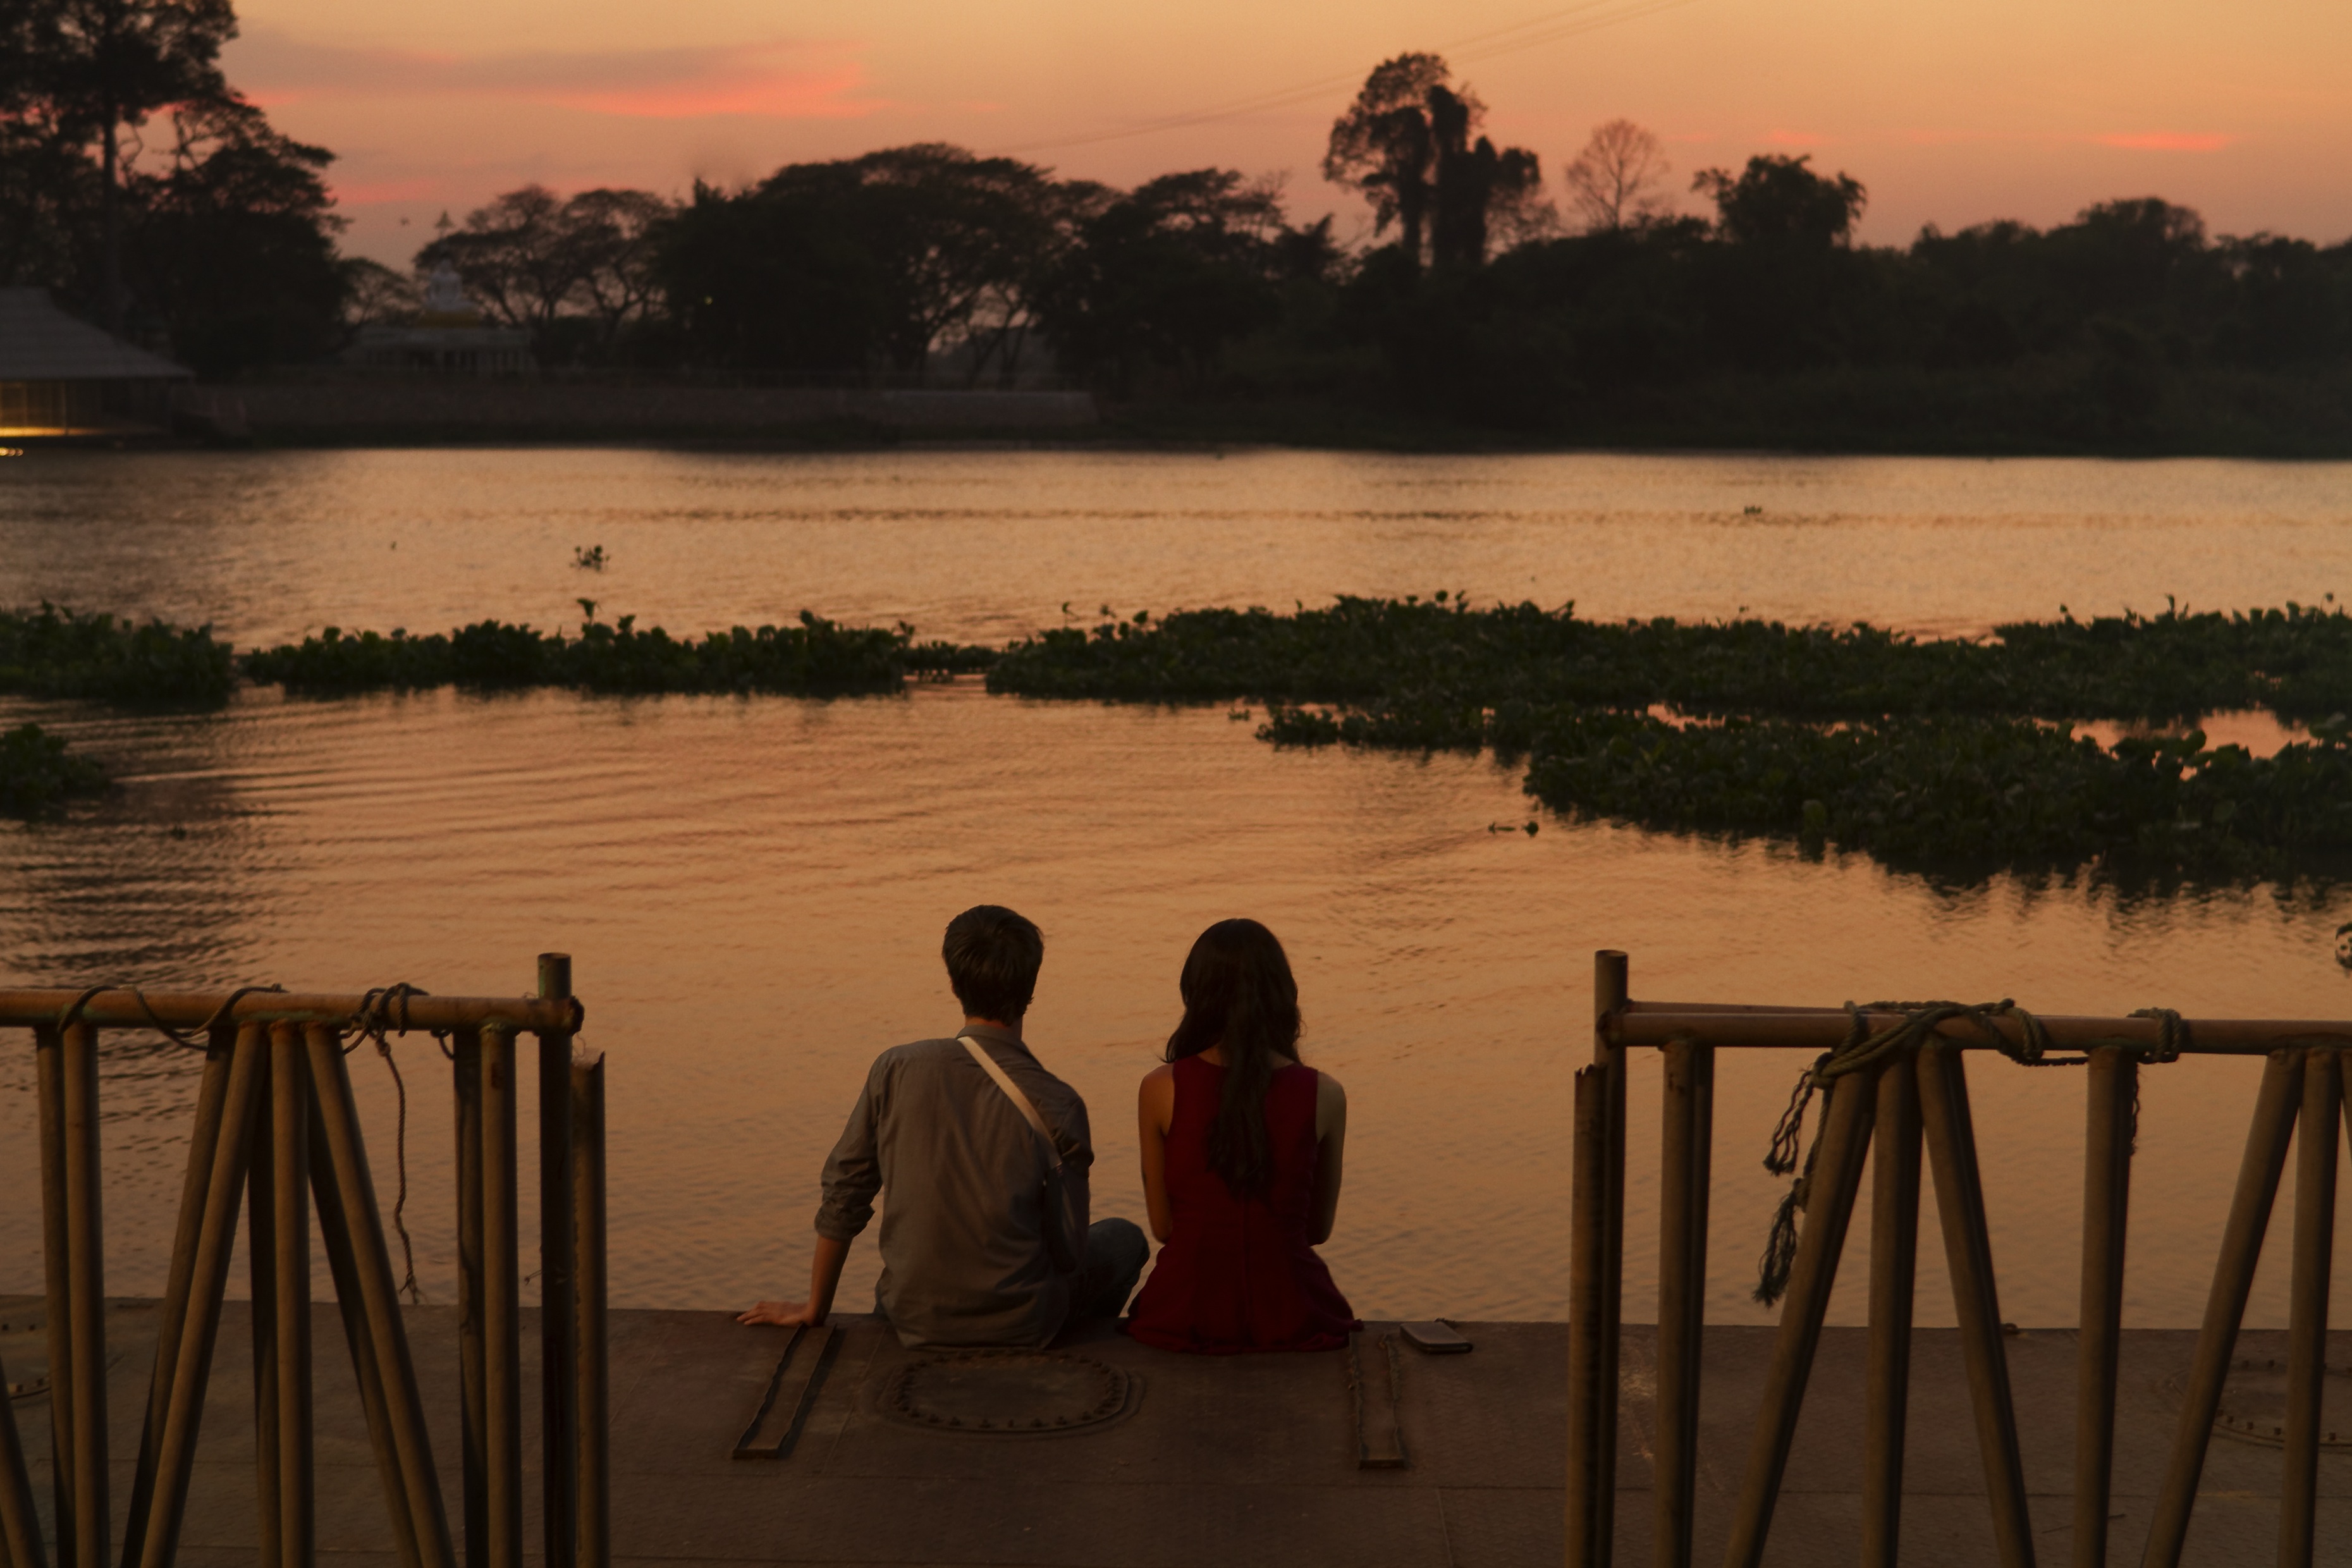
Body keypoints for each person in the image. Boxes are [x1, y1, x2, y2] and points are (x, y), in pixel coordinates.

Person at [739, 905, 1148, 1347]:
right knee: (1126, 1240)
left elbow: (846, 1189)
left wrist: (814, 1308)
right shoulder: (1059, 1102)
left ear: (954, 984)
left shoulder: (896, 1069)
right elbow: (1069, 1252)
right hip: (1022, 1324)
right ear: (1031, 987)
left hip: (911, 1315)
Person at [1124, 918, 1359, 1353]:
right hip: (1292, 1309)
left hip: (1185, 1309)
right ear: (1282, 995)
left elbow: (1163, 1228)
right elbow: (1318, 1230)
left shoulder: (1160, 1088)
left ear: (1195, 995)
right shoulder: (1326, 1093)